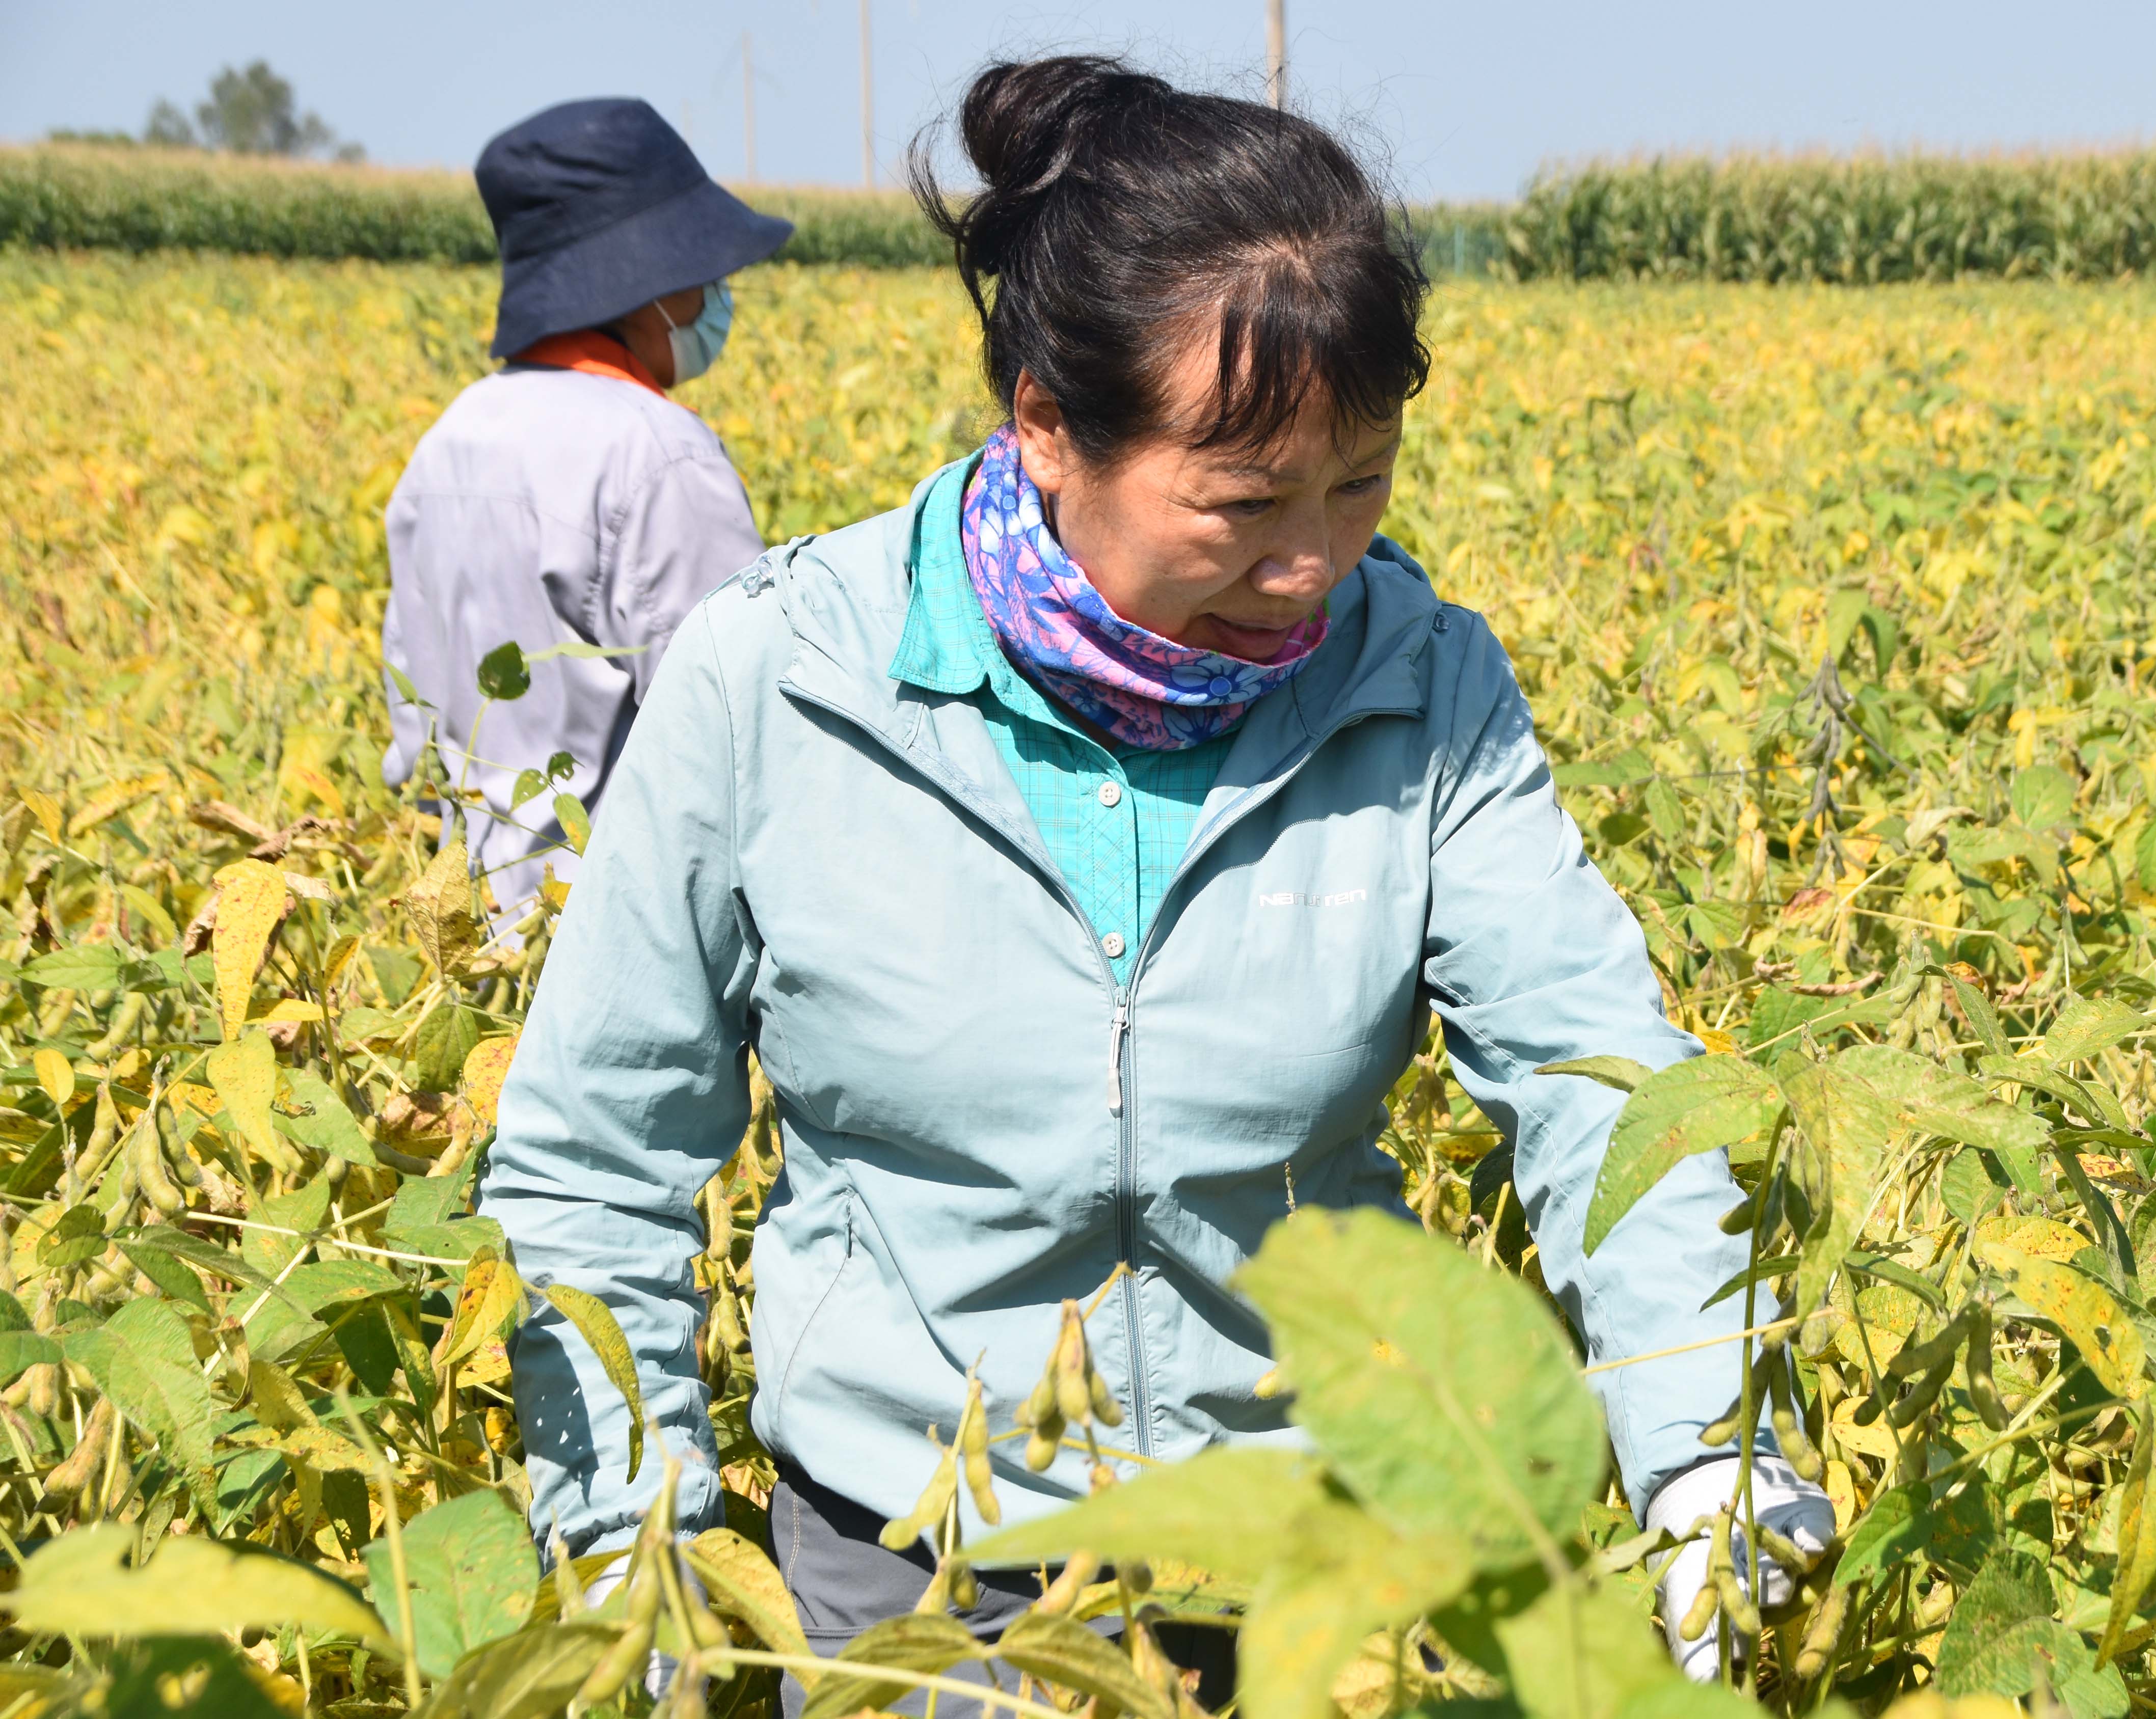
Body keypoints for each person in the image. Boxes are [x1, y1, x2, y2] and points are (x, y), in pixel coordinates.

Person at [480, 57, 1828, 1711]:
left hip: (1313, 1555)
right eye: (1245, 499)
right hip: (918, 1567)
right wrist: (639, 1554)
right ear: (1047, 422)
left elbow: (1604, 1083)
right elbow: (594, 1160)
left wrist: (1710, 1442)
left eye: (1363, 480)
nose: (1314, 565)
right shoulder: (783, 680)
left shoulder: (1419, 687)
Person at [382, 98, 792, 918]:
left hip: (459, 929)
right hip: (606, 935)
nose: (714, 297)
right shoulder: (659, 454)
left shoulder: (448, 440)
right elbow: (743, 737)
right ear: (643, 290)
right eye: (699, 275)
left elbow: (415, 714)